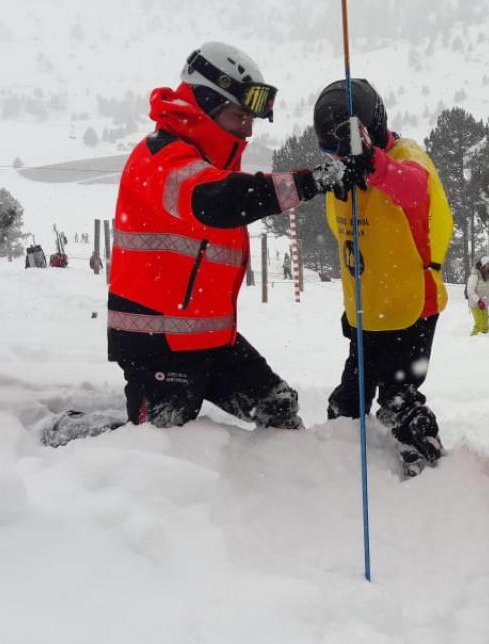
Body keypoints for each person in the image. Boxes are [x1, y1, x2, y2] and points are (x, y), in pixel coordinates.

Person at [108, 42, 365, 428]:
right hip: (157, 344)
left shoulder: (210, 163)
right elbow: (218, 201)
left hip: (211, 339)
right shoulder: (159, 158)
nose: (247, 129)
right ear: (205, 103)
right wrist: (314, 181)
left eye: (251, 119)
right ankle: (72, 444)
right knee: (160, 446)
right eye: (238, 116)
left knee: (278, 407)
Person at [314, 78, 453, 477]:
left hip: (413, 305)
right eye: (330, 147)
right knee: (349, 397)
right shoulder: (344, 173)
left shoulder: (406, 156)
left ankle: (428, 470)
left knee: (399, 397)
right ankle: (336, 459)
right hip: (367, 308)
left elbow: (415, 188)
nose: (338, 154)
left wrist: (374, 163)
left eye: (343, 143)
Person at [466, 255, 489, 336]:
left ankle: (483, 343)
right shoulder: (475, 275)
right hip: (475, 304)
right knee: (478, 324)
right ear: (481, 265)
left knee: (486, 326)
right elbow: (470, 290)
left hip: (484, 304)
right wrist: (478, 301)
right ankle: (471, 341)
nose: (488, 266)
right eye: (486, 265)